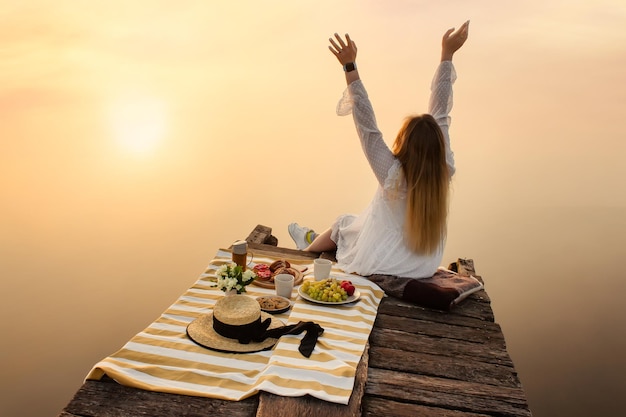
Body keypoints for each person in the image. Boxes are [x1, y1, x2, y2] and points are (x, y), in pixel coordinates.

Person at [289, 21, 470, 279]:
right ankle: (309, 240)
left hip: (383, 264)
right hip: (424, 266)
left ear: (406, 143)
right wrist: (447, 54)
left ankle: (303, 254)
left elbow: (367, 126)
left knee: (343, 224)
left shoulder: (393, 174)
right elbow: (441, 110)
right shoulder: (445, 167)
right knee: (355, 224)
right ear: (438, 146)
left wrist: (349, 66)